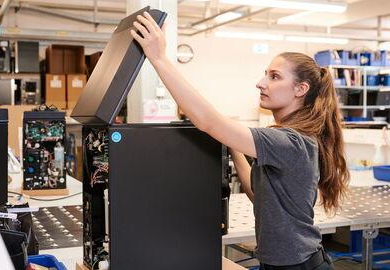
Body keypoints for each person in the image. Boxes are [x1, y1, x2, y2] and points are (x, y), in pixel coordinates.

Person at [131, 11, 349, 270]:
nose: (261, 83)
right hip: (282, 264)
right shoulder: (289, 139)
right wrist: (231, 142)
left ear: (300, 89)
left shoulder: (290, 142)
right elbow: (258, 194)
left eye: (274, 76)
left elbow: (208, 121)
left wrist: (158, 58)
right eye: (265, 74)